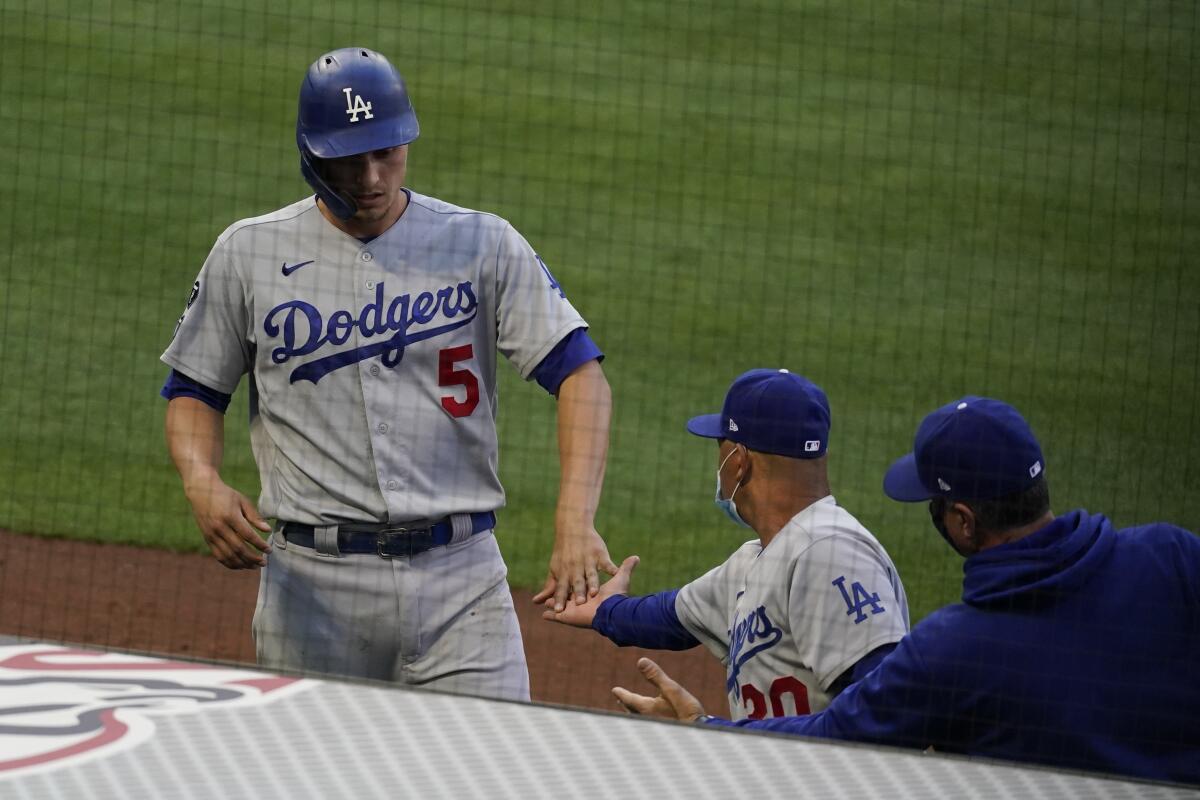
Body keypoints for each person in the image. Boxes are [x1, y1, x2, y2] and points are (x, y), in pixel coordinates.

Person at [159, 47, 617, 701]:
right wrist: (200, 481)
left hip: (463, 582)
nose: (372, 177)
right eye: (350, 159)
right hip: (313, 591)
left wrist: (575, 515)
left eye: (388, 152)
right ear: (311, 153)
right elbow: (193, 391)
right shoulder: (249, 251)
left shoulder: (482, 243)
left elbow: (581, 375)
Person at [613, 397, 1200, 785]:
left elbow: (836, 737)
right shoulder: (1172, 556)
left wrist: (708, 733)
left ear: (963, 522)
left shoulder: (954, 650)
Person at [544, 368, 909, 719]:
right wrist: (607, 611)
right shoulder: (761, 556)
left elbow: (888, 709)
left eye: (719, 446)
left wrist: (713, 731)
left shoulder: (828, 552)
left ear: (739, 461)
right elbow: (672, 616)